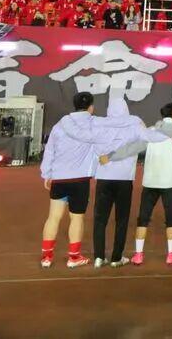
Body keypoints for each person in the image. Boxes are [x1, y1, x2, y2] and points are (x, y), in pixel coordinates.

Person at [102, 102, 172, 266]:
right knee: (171, 220)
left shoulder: (151, 131)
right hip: (170, 182)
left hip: (150, 181)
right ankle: (171, 254)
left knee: (143, 219)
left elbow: (132, 148)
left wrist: (111, 156)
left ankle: (138, 255)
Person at [39, 92, 103, 268]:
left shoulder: (60, 125)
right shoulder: (94, 124)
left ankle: (46, 257)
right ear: (91, 107)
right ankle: (74, 258)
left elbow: (50, 150)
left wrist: (47, 174)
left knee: (53, 217)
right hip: (80, 180)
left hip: (59, 178)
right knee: (77, 218)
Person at [89, 99, 145, 268]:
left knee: (100, 219)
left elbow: (94, 148)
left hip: (104, 177)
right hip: (124, 179)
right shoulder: (134, 125)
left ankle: (99, 257)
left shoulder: (101, 126)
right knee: (122, 219)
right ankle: (116, 257)